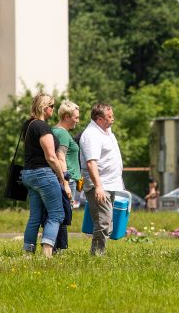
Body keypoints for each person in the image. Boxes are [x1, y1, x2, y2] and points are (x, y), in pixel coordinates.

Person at [21, 93, 70, 257]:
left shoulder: (28, 125)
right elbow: (51, 157)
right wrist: (62, 178)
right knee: (57, 213)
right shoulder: (42, 127)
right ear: (45, 107)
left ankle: (27, 254)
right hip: (43, 174)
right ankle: (47, 253)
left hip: (28, 174)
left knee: (34, 215)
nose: (54, 109)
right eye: (52, 106)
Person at [80, 103, 124, 255]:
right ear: (99, 119)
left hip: (110, 183)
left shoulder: (106, 130)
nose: (113, 119)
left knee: (107, 222)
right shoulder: (92, 135)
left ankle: (99, 252)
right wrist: (98, 186)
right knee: (103, 222)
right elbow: (91, 163)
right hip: (100, 185)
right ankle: (97, 255)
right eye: (109, 117)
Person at [51, 100, 81, 250]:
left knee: (58, 213)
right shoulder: (62, 133)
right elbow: (60, 156)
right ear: (66, 117)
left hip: (63, 179)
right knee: (63, 214)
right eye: (76, 117)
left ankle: (56, 248)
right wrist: (66, 183)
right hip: (66, 180)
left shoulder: (54, 131)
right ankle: (60, 249)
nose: (78, 120)